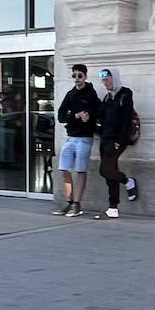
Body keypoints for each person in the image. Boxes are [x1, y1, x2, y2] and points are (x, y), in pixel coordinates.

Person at [53, 64, 100, 216]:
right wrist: (76, 116)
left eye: (80, 75)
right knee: (64, 168)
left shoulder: (91, 95)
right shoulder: (70, 94)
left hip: (85, 138)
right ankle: (69, 201)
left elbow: (99, 113)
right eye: (74, 76)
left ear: (85, 76)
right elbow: (60, 116)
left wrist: (90, 118)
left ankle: (77, 204)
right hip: (71, 137)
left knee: (80, 170)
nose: (77, 79)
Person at [96, 67, 137, 219]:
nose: (105, 83)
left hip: (117, 141)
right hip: (105, 139)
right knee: (109, 174)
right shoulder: (107, 98)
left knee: (105, 170)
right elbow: (101, 117)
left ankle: (128, 181)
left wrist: (120, 141)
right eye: (103, 81)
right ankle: (113, 208)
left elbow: (126, 120)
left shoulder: (125, 94)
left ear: (114, 77)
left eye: (107, 80)